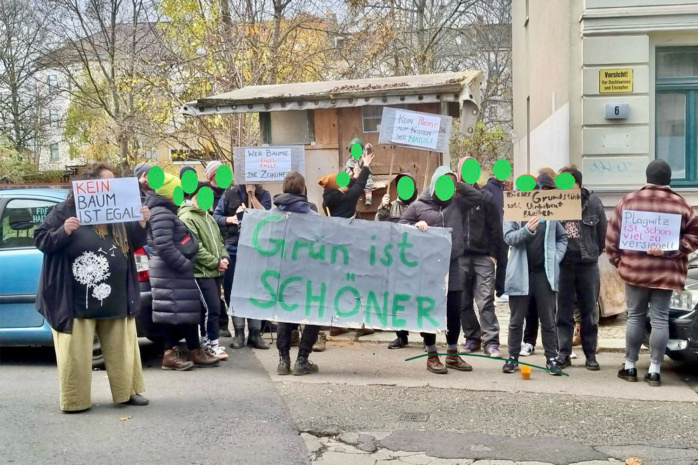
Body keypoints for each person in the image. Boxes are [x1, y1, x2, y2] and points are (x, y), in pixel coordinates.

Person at [35, 163, 150, 412]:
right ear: (89, 185)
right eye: (105, 182)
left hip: (116, 295)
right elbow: (41, 239)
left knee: (123, 348)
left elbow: (134, 241)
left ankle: (127, 392)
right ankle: (75, 400)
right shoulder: (65, 209)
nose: (110, 186)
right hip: (76, 299)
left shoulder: (118, 209)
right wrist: (63, 231)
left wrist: (141, 224)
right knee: (75, 354)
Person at [607, 159, 698, 387]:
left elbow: (611, 238)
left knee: (634, 317)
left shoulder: (628, 201)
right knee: (660, 320)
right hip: (666, 274)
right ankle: (655, 370)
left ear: (647, 178)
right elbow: (694, 236)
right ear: (669, 180)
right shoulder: (681, 205)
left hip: (635, 271)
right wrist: (672, 250)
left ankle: (629, 366)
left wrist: (619, 262)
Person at [399, 165, 482, 374]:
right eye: (443, 183)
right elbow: (400, 227)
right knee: (430, 309)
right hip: (428, 266)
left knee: (454, 310)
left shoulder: (457, 203)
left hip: (452, 263)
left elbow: (477, 197)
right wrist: (416, 226)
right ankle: (432, 354)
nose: (448, 189)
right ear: (434, 183)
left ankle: (453, 354)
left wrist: (456, 180)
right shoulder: (418, 206)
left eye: (451, 186)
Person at [144, 190, 220, 370]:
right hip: (170, 271)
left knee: (185, 311)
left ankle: (194, 350)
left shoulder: (164, 211)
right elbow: (164, 245)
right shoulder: (161, 213)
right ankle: (170, 355)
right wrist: (184, 264)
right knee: (173, 313)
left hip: (172, 270)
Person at [502, 172, 568, 376]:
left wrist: (555, 258)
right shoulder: (513, 210)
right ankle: (512, 357)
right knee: (516, 320)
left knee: (548, 320)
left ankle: (551, 358)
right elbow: (508, 238)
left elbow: (562, 238)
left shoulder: (547, 211)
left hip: (543, 274)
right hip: (520, 273)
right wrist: (526, 231)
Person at [271, 171, 324, 375]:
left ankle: (283, 361)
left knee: (284, 313)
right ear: (303, 190)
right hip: (309, 273)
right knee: (313, 314)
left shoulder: (272, 215)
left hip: (282, 273)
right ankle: (302, 360)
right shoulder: (313, 216)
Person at [555, 166, 607, 371]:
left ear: (578, 183)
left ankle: (590, 354)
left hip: (587, 264)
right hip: (563, 263)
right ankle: (564, 353)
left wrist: (594, 252)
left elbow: (602, 232)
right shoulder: (556, 201)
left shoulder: (593, 203)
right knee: (563, 311)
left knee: (589, 312)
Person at [213, 180, 271, 349]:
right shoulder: (229, 194)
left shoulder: (264, 194)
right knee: (234, 291)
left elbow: (267, 216)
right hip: (234, 248)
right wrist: (231, 219)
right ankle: (239, 333)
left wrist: (252, 197)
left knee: (255, 290)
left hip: (256, 249)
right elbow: (216, 217)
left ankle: (255, 334)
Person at [456, 157, 503, 358]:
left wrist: (494, 254)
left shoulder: (486, 197)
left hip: (483, 257)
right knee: (463, 301)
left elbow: (495, 228)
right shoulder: (453, 197)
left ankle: (491, 341)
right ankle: (471, 337)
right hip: (460, 257)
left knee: (485, 301)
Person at [179, 182, 230, 361]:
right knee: (212, 308)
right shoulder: (187, 218)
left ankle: (209, 342)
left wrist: (224, 258)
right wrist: (215, 262)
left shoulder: (208, 216)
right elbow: (196, 247)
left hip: (215, 271)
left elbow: (220, 241)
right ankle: (211, 344)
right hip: (201, 272)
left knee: (211, 309)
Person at [375, 172, 419, 349]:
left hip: (415, 260)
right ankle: (401, 335)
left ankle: (426, 336)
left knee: (418, 297)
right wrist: (382, 210)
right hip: (395, 259)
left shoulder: (421, 207)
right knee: (396, 298)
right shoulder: (389, 206)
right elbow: (378, 227)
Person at [319, 150, 375, 218]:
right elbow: (360, 184)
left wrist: (356, 175)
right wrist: (366, 165)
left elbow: (345, 189)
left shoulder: (327, 198)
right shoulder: (347, 197)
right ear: (337, 186)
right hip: (350, 226)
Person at [482, 175, 509, 304]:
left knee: (503, 262)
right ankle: (490, 293)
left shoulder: (504, 189)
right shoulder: (488, 188)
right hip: (492, 231)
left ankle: (501, 290)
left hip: (504, 230)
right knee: (490, 264)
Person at [344, 138, 375, 205]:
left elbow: (369, 153)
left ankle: (368, 198)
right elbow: (347, 168)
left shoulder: (363, 157)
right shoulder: (350, 161)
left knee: (368, 182)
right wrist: (349, 172)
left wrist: (369, 148)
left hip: (364, 175)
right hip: (355, 177)